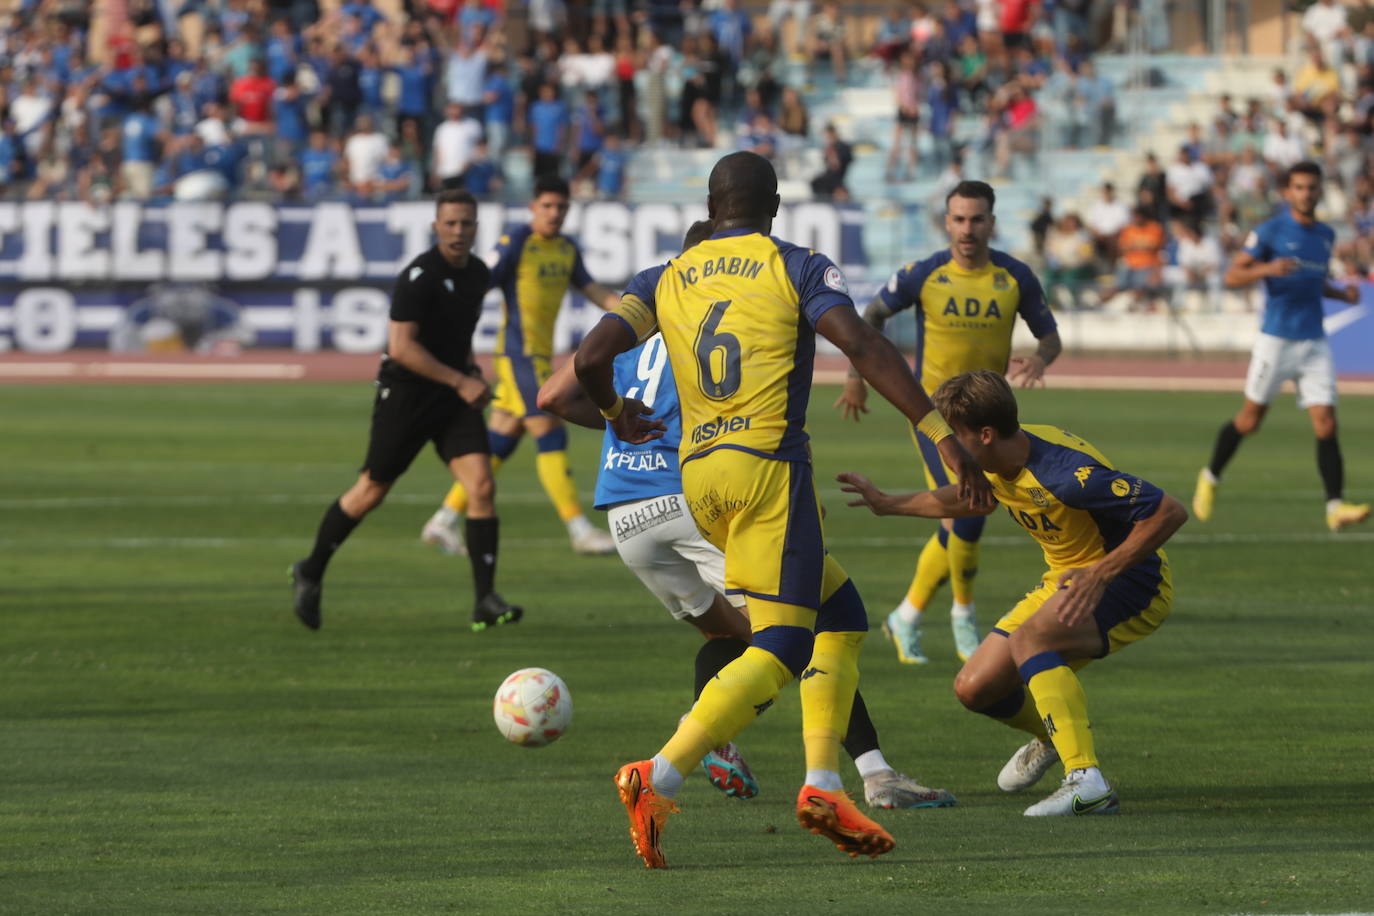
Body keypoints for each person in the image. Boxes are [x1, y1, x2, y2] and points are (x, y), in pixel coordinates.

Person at [572, 151, 993, 868]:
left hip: (700, 478)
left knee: (843, 612)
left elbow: (587, 361)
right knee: (782, 647)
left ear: (711, 206)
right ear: (772, 207)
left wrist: (619, 412)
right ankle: (656, 775)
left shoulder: (663, 277)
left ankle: (824, 784)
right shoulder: (794, 265)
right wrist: (941, 436)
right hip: (769, 469)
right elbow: (860, 343)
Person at [840, 369, 1189, 816]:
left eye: (953, 438)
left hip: (1132, 582)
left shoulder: (1067, 475)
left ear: (985, 434)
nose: (945, 451)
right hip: (1065, 580)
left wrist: (1100, 574)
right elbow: (973, 498)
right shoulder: (999, 458)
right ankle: (1053, 734)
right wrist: (889, 504)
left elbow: (1167, 511)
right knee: (975, 687)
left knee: (1031, 641)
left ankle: (1087, 781)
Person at [834, 180, 1061, 665]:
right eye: (958, 219)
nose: (967, 229)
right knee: (970, 509)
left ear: (991, 223)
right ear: (947, 222)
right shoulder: (925, 274)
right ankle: (963, 616)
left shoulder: (1015, 276)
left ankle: (907, 616)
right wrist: (855, 376)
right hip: (934, 416)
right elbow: (869, 317)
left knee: (964, 515)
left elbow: (1050, 336)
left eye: (977, 219)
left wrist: (1041, 359)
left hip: (991, 421)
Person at [289, 190, 523, 632]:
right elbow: (401, 348)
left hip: (453, 398)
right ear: (436, 226)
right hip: (408, 396)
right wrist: (461, 379)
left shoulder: (476, 274)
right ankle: (312, 569)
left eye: (466, 223)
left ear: (476, 228)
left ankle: (484, 600)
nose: (458, 231)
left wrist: (469, 371)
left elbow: (454, 336)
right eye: (450, 223)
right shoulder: (419, 275)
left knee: (482, 485)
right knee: (370, 492)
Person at [420, 175, 623, 557]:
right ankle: (579, 530)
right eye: (547, 206)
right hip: (519, 356)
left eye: (561, 207)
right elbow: (479, 284)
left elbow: (594, 291)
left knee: (499, 443)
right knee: (550, 430)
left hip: (539, 357)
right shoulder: (516, 242)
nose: (554, 213)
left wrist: (635, 313)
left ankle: (443, 520)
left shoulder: (566, 249)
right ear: (533, 208)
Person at [1192, 162, 1369, 532]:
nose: (1306, 193)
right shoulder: (1270, 231)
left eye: (1312, 188)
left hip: (1314, 341)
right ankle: (1210, 476)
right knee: (1250, 420)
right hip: (1277, 341)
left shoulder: (1324, 235)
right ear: (1288, 192)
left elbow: (1313, 281)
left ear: (1320, 192)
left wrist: (1341, 293)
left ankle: (1335, 507)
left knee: (1326, 422)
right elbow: (1232, 275)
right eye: (1300, 187)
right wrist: (1266, 271)